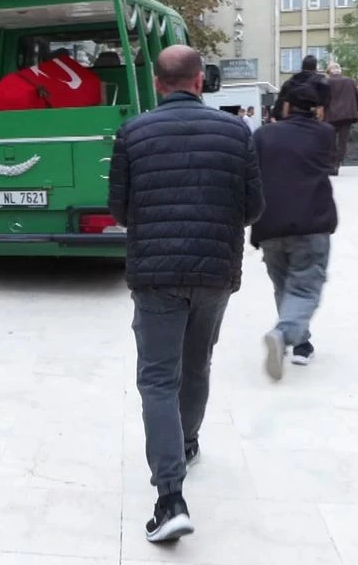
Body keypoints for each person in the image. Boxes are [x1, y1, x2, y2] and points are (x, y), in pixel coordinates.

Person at [107, 45, 264, 544]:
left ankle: (169, 497)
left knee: (157, 380)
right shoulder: (237, 132)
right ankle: (188, 442)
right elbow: (253, 208)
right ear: (201, 80)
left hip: (155, 274)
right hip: (215, 272)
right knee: (196, 367)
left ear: (158, 83)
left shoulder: (133, 132)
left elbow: (120, 210)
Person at [252, 82, 337, 379]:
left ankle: (301, 345)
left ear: (285, 106)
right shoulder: (325, 134)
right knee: (304, 287)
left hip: (269, 225)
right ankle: (285, 334)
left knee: (285, 287)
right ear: (316, 109)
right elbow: (331, 163)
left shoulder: (262, 135)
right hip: (311, 223)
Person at [322, 62, 358, 175]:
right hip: (347, 115)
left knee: (330, 141)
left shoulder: (326, 82)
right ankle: (337, 164)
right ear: (339, 70)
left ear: (329, 71)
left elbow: (323, 99)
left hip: (330, 116)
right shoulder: (350, 81)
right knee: (342, 142)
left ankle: (331, 164)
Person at [273, 55, 329, 122]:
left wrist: (281, 119)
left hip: (292, 119)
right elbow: (321, 107)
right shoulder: (321, 81)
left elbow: (283, 103)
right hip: (311, 119)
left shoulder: (291, 81)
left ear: (302, 67)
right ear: (315, 67)